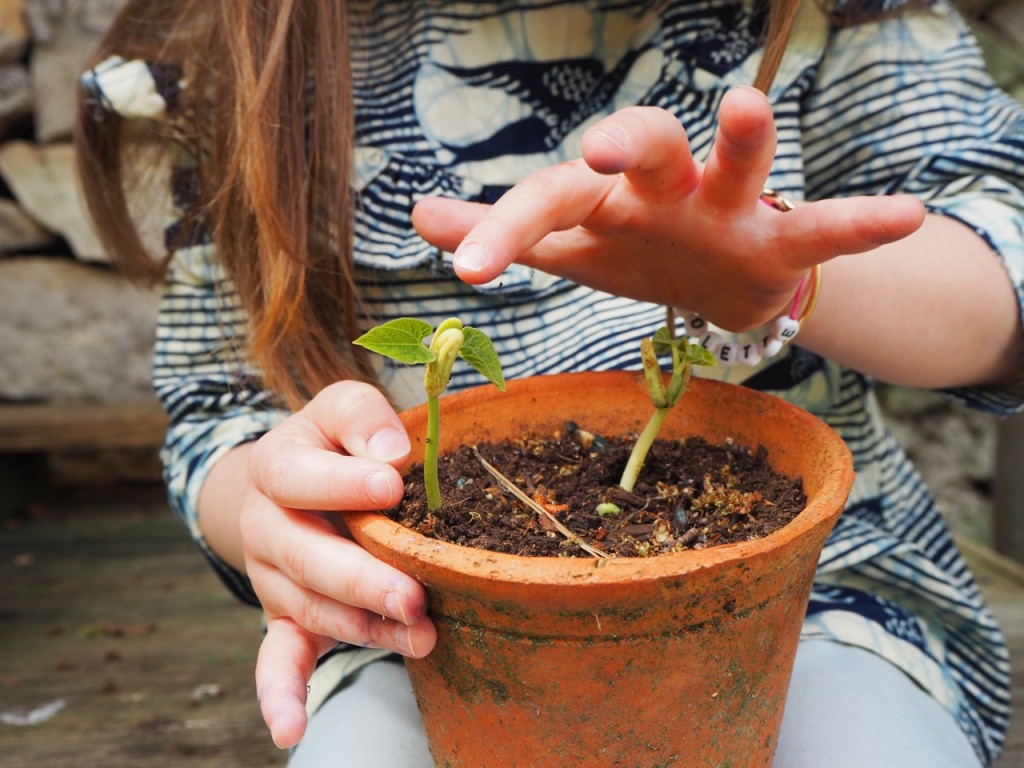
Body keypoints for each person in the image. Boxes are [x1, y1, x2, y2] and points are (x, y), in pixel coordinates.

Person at [76, 1, 1024, 765]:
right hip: (422, 632)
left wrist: (797, 278)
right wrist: (270, 508)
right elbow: (219, 410)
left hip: (824, 608)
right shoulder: (240, 51)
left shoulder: (834, 16)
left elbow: (1002, 275)